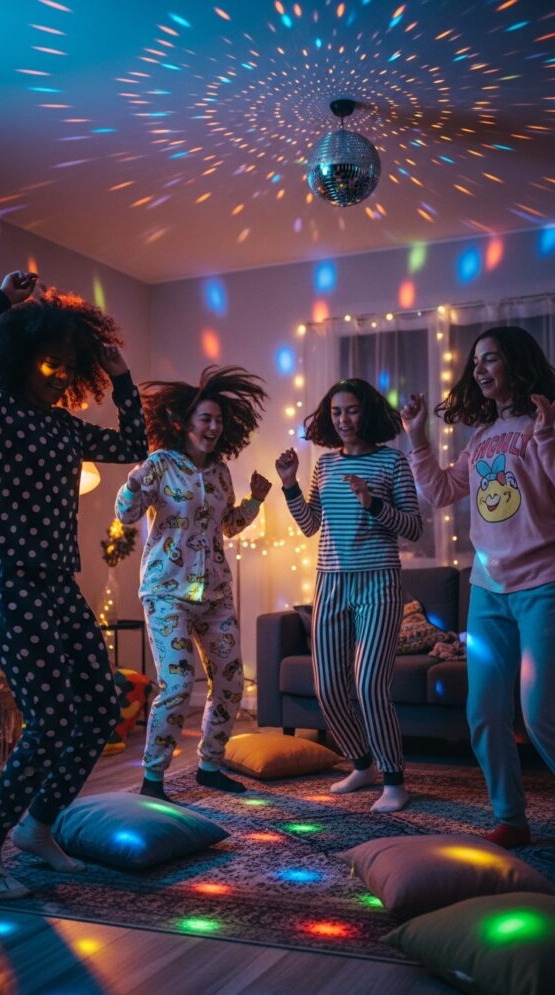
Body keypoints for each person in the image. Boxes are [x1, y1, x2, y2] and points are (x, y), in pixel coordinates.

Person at [0, 270, 148, 898]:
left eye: (67, 367)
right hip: (10, 580)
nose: (59, 375)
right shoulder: (1, 411)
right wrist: (1, 303)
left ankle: (37, 826)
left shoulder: (64, 426)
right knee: (51, 720)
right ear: (18, 357)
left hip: (59, 581)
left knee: (101, 710)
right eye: (48, 363)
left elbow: (134, 443)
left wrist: (121, 379)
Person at [401, 325, 555, 848]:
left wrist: (547, 434)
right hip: (488, 590)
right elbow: (442, 491)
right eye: (475, 362)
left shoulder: (545, 421)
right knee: (484, 712)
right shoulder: (484, 436)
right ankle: (511, 818)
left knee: (541, 715)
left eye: (490, 358)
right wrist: (417, 437)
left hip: (543, 586)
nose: (479, 369)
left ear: (516, 362)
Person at [115, 366, 271, 801]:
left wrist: (255, 501)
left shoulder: (221, 473)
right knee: (179, 684)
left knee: (231, 684)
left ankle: (210, 766)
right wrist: (131, 485)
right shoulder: (159, 464)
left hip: (215, 594)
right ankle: (153, 779)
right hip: (167, 592)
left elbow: (228, 526)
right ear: (183, 422)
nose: (213, 427)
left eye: (219, 420)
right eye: (206, 418)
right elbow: (126, 516)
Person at [275, 378, 423, 812]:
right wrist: (289, 484)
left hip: (379, 581)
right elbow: (310, 524)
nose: (344, 419)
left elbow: (414, 528)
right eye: (336, 412)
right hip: (330, 582)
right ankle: (362, 764)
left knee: (369, 684)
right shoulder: (324, 465)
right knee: (327, 688)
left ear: (368, 412)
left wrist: (372, 502)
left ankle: (394, 779)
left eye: (352, 410)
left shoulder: (392, 461)